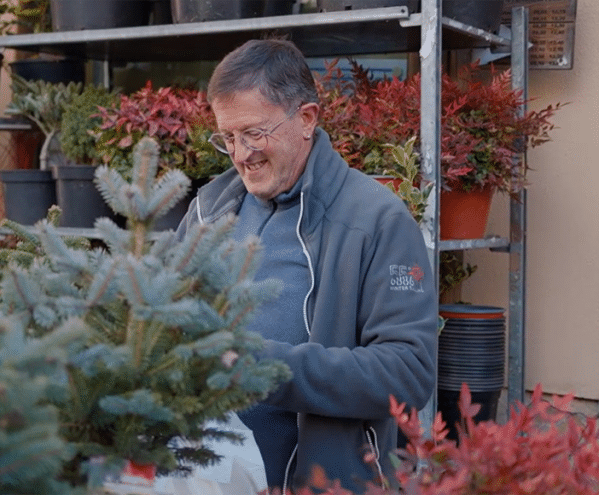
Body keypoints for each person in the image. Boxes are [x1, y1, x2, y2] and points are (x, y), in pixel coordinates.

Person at [176, 39, 437, 494]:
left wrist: (262, 367)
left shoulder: (377, 221)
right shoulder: (208, 210)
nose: (240, 155)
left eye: (254, 133)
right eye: (228, 137)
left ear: (307, 119)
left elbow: (408, 372)